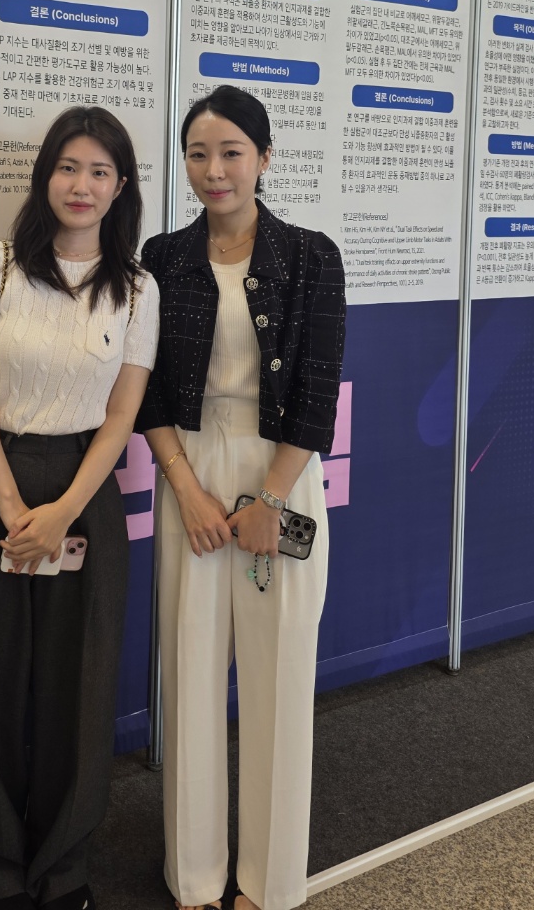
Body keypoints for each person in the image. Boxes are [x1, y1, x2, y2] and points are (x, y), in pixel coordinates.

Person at [0, 105, 159, 910]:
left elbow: (122, 415)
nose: (81, 184)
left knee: (81, 684)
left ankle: (64, 867)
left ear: (120, 187)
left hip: (84, 490)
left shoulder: (137, 288)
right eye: (68, 167)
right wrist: (10, 504)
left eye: (100, 171)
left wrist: (63, 510)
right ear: (45, 176)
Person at [138, 85, 347, 910]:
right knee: (190, 672)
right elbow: (147, 389)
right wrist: (185, 489)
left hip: (280, 473)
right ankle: (193, 879)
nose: (214, 170)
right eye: (199, 154)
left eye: (231, 152)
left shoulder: (311, 255)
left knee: (279, 675)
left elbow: (319, 392)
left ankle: (268, 883)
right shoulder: (162, 257)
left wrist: (269, 499)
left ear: (264, 157)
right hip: (188, 470)